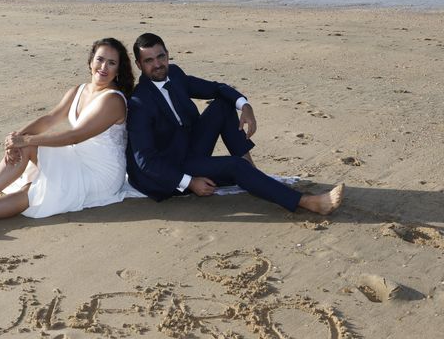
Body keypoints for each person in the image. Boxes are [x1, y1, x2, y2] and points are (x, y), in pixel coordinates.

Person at [0, 37, 135, 229]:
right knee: (27, 153)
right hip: (75, 159)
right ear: (90, 62)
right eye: (100, 59)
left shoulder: (112, 100)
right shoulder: (78, 90)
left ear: (118, 70)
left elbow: (75, 136)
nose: (103, 67)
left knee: (36, 188)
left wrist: (25, 140)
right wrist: (16, 138)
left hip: (98, 174)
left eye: (111, 63)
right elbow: (49, 119)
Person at [125, 33, 343, 215]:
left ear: (168, 55)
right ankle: (308, 202)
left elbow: (217, 88)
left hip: (188, 147)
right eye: (149, 61)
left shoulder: (175, 74)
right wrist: (189, 182)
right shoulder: (140, 102)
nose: (157, 64)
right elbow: (146, 162)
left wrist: (245, 106)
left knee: (223, 105)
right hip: (169, 169)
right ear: (139, 65)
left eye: (161, 57)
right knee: (235, 166)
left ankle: (254, 176)